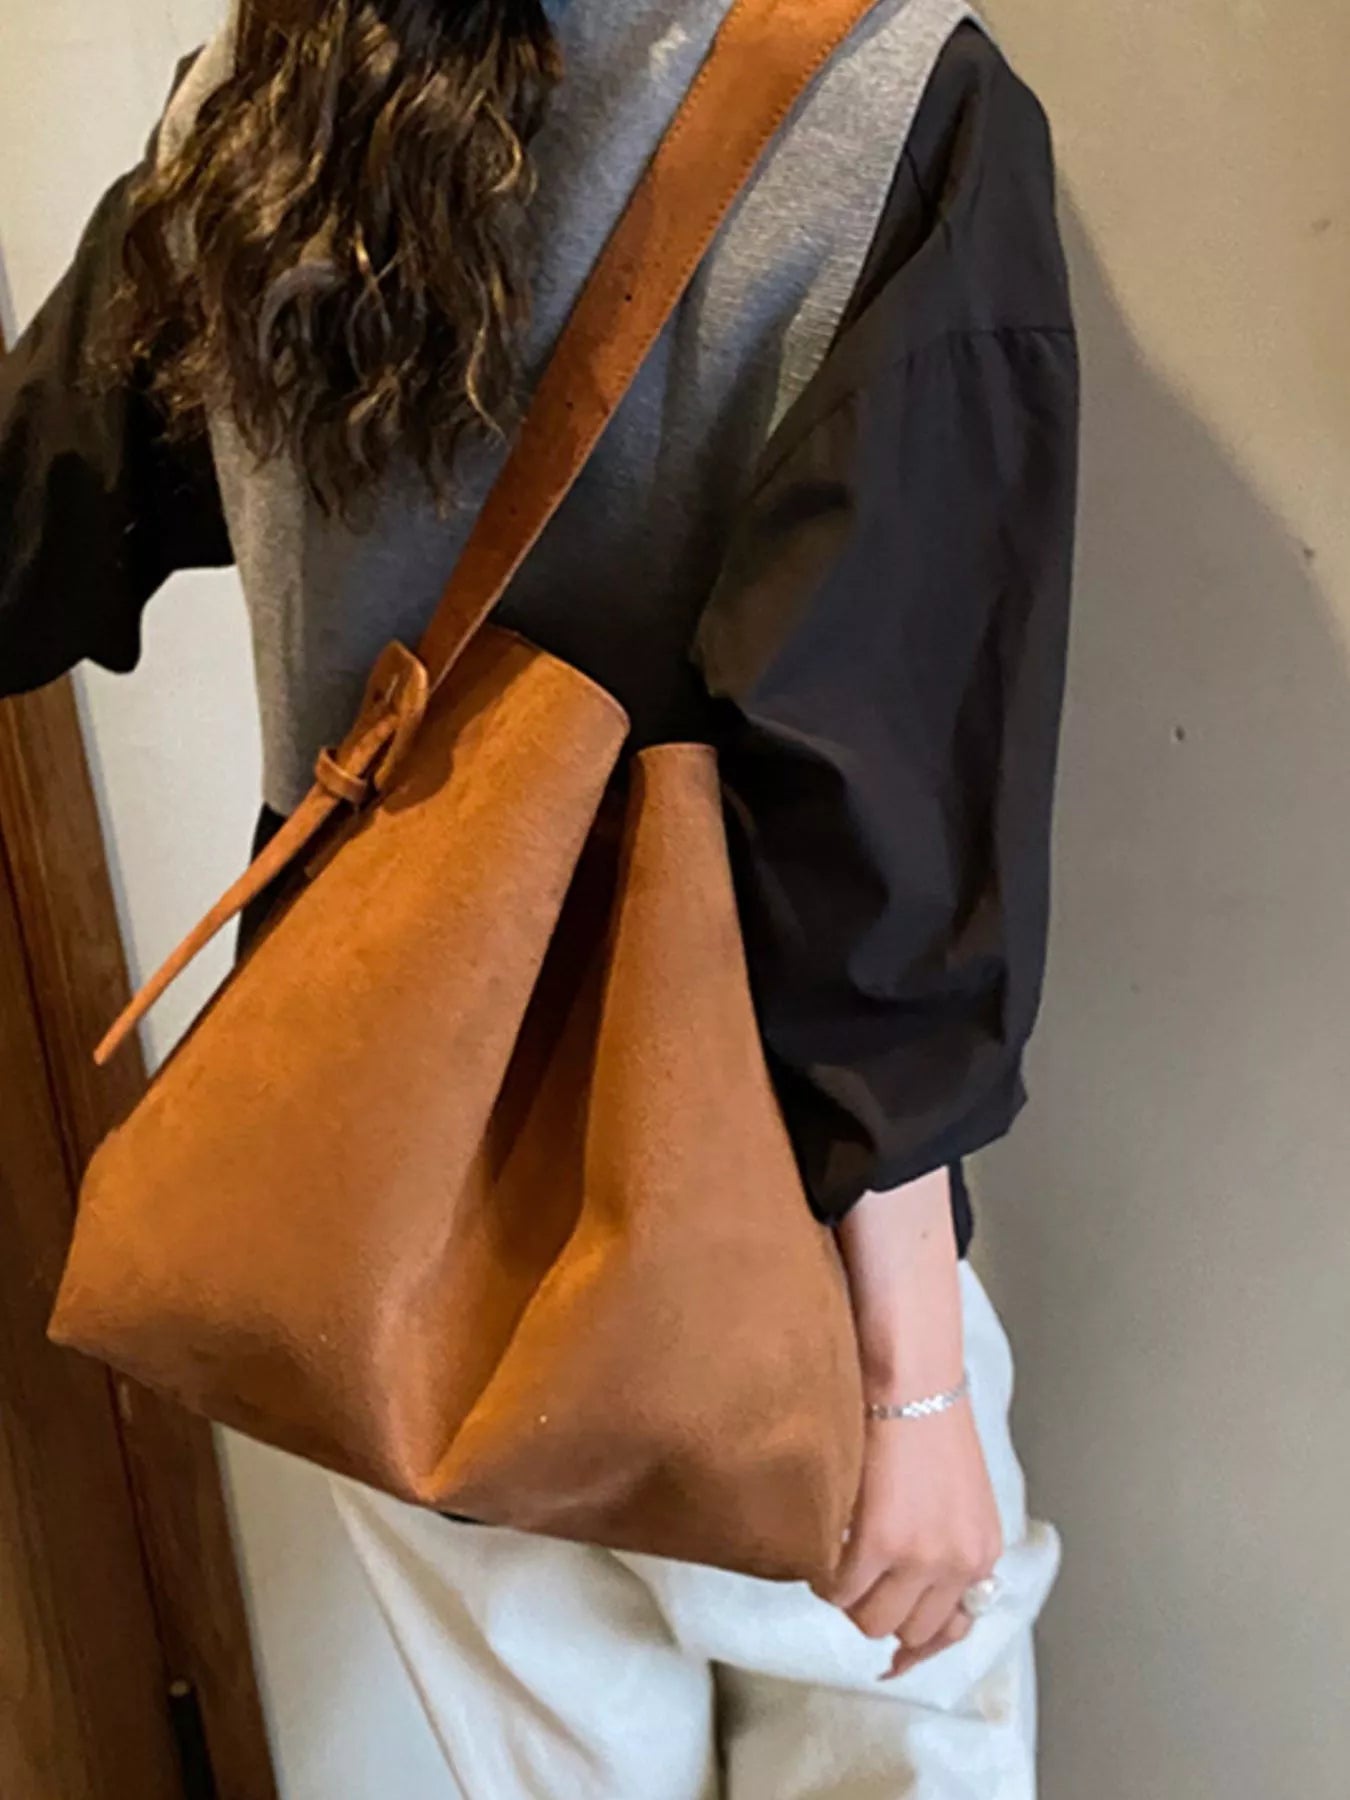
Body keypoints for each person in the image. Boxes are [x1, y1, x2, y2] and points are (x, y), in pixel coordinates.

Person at [0, 0, 1078, 1793]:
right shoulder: (894, 107)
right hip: (756, 1189)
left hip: (373, 1175)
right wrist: (913, 1383)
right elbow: (873, 810)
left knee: (542, 1760)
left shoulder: (271, 93)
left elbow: (36, 530)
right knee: (885, 1734)